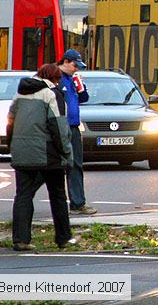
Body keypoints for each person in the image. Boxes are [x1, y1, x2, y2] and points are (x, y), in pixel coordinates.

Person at [7, 64, 74, 250]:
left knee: (23, 195)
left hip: (22, 152)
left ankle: (20, 239)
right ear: (53, 78)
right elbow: (58, 128)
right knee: (58, 194)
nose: (59, 82)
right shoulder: (50, 95)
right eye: (58, 79)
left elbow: (10, 123)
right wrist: (66, 153)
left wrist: (13, 145)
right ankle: (63, 237)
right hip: (47, 154)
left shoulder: (19, 94)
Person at [58, 49, 96, 215]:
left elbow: (83, 99)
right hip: (59, 127)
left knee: (76, 165)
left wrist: (82, 88)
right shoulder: (55, 78)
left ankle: (78, 203)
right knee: (51, 166)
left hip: (73, 127)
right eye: (74, 65)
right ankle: (26, 198)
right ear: (65, 62)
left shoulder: (72, 79)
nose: (76, 69)